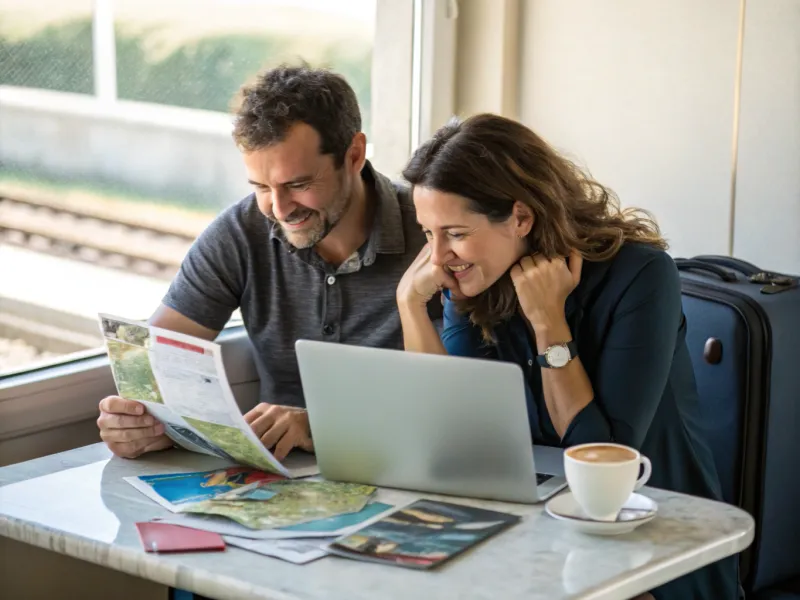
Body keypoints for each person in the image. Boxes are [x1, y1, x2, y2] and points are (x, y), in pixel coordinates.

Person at [395, 113, 738, 600]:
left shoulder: (642, 276)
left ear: (520, 218)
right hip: (538, 536)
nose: (437, 257)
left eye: (454, 232)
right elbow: (448, 433)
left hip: (650, 543)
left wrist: (547, 322)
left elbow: (601, 460)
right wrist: (410, 304)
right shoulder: (472, 279)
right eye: (428, 234)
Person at [97, 65, 436, 461]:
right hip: (280, 481)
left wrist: (319, 424)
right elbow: (153, 367)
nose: (278, 209)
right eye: (260, 187)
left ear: (355, 155)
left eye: (297, 185)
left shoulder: (435, 233)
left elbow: (458, 403)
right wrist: (141, 423)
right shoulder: (241, 233)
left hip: (408, 469)